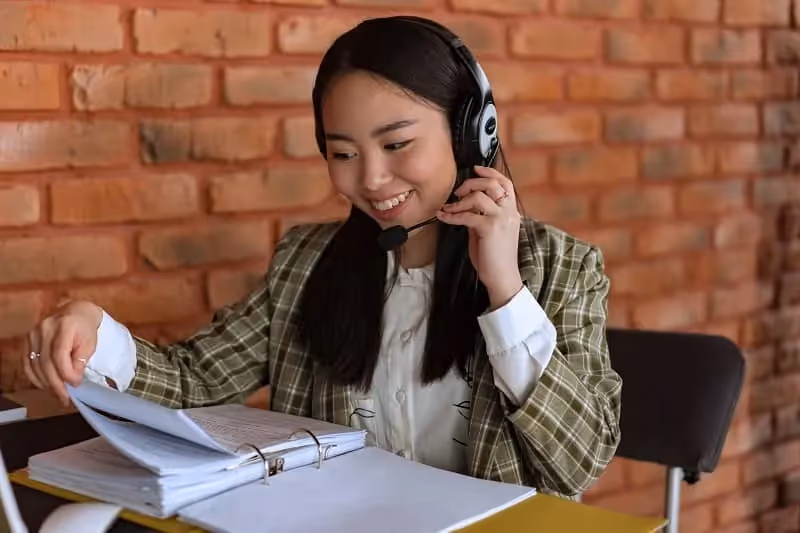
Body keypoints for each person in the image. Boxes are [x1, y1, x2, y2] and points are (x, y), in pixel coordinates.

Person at [21, 16, 621, 499]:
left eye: (396, 143)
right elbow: (195, 381)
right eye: (343, 153)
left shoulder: (561, 267)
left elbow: (581, 464)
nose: (373, 178)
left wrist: (505, 290)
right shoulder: (306, 262)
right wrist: (92, 330)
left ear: (472, 132)